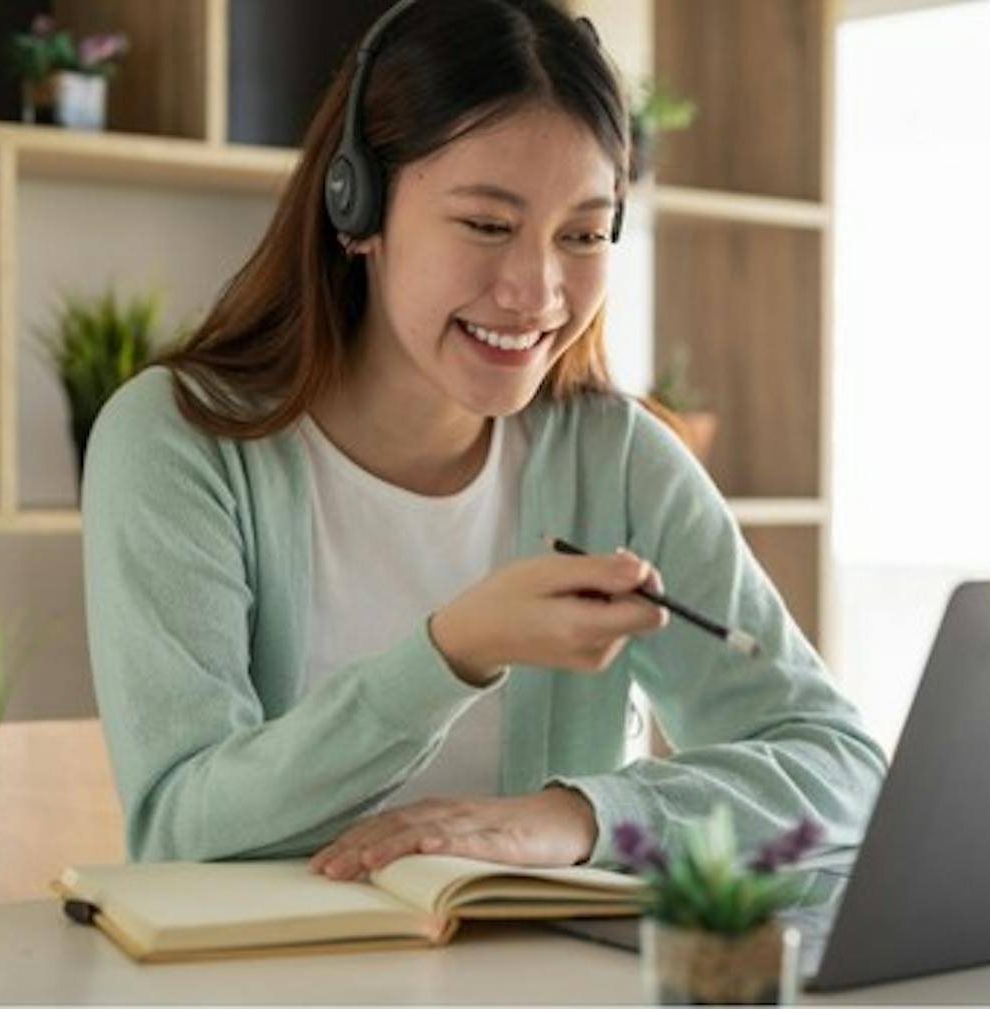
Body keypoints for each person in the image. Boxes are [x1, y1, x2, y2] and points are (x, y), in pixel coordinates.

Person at [81, 0, 885, 881]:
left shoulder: (615, 459)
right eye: (488, 225)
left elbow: (843, 767)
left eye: (581, 234)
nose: (537, 293)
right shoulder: (179, 443)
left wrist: (578, 816)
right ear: (359, 206)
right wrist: (452, 653)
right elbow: (180, 829)